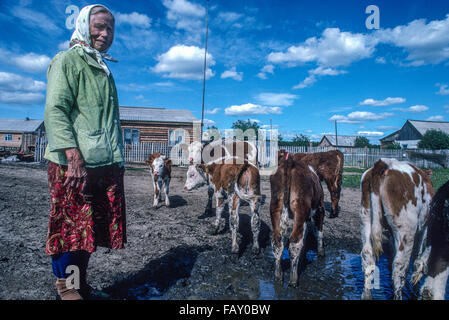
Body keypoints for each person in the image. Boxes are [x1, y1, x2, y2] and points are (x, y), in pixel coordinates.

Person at [43, 4, 126, 300]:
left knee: (87, 231)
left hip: (102, 164)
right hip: (73, 165)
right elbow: (56, 110)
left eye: (110, 29)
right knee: (70, 230)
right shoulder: (67, 61)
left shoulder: (102, 68)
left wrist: (118, 161)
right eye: (99, 27)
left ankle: (79, 286)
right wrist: (72, 156)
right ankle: (65, 290)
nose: (105, 34)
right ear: (82, 25)